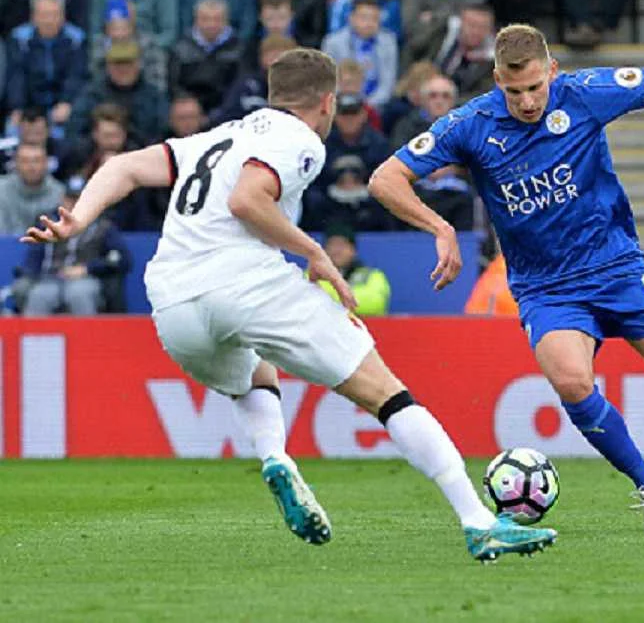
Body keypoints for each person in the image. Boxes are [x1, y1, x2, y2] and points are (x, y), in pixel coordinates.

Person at [22, 47, 557, 561]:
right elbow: (247, 200)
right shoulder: (300, 138)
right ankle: (479, 522)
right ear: (326, 103)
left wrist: (79, 217)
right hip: (242, 280)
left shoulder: (222, 135)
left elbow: (126, 167)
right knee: (385, 393)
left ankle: (276, 458)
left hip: (172, 302)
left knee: (255, 372)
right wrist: (314, 252)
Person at [369, 15, 644, 534]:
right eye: (515, 91)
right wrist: (440, 228)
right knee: (573, 382)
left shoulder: (584, 93)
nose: (528, 101)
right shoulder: (471, 124)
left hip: (617, 266)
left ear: (552, 71)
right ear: (496, 81)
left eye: (535, 87)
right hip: (545, 286)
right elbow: (386, 178)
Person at [20, 176, 132, 315]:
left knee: (78, 294)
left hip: (85, 279)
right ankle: (34, 335)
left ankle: (88, 337)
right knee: (40, 295)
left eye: (79, 199)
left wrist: (87, 268)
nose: (74, 204)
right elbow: (34, 256)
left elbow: (123, 259)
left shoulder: (102, 225)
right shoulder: (48, 221)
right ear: (62, 199)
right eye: (70, 199)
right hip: (50, 278)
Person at [6, 0, 88, 131]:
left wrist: (67, 102)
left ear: (63, 17)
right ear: (33, 17)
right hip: (29, 107)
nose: (49, 21)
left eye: (54, 15)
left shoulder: (76, 39)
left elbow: (77, 74)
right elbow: (16, 76)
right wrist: (17, 107)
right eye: (43, 15)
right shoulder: (19, 39)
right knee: (12, 130)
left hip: (62, 105)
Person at [169, 0, 245, 114]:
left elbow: (239, 85)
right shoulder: (180, 48)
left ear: (226, 20)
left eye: (217, 19)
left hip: (227, 108)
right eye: (205, 19)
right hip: (190, 109)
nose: (211, 24)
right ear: (196, 20)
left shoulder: (239, 48)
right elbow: (174, 84)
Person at [321, 0, 399, 108]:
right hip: (341, 100)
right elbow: (330, 81)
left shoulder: (388, 41)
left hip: (378, 104)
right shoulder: (333, 42)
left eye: (374, 19)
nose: (369, 23)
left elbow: (387, 83)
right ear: (351, 18)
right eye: (364, 17)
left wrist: (368, 105)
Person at [314, 224, 392, 316]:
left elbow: (376, 303)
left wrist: (330, 297)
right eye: (332, 245)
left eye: (342, 245)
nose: (337, 250)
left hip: (363, 328)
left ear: (353, 250)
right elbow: (308, 304)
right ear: (324, 250)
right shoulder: (312, 275)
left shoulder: (372, 275)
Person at [0, 142, 65, 234]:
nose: (31, 166)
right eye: (25, 161)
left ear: (46, 163)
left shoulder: (60, 193)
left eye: (37, 160)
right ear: (15, 163)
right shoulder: (1, 189)